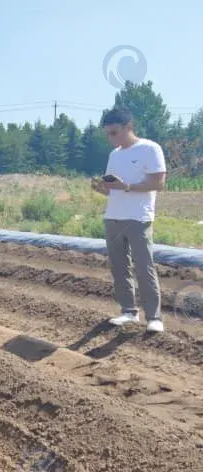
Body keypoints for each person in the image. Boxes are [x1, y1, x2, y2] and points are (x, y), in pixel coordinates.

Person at [91, 106, 167, 333]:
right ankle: (128, 311)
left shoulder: (150, 149)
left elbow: (158, 183)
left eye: (114, 133)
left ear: (128, 127)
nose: (110, 138)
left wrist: (126, 186)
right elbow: (114, 190)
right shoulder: (114, 155)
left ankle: (154, 317)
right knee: (119, 267)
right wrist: (102, 188)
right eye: (108, 134)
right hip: (113, 216)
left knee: (144, 266)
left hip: (138, 218)